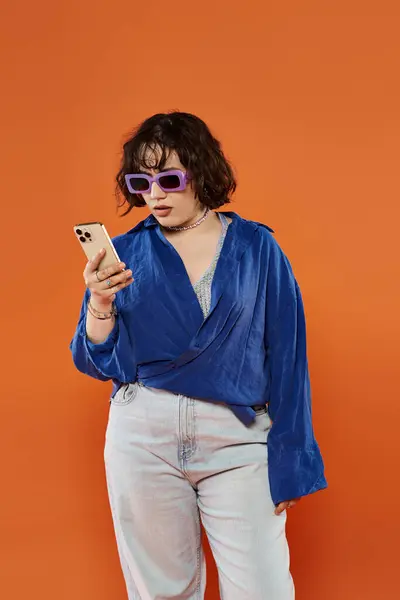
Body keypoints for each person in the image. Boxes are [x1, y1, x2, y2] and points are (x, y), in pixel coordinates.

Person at [70, 111, 327, 600]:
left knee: (263, 590)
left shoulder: (256, 247)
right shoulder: (122, 253)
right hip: (142, 434)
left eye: (169, 178)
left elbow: (288, 355)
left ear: (201, 173)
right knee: (162, 592)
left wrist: (292, 458)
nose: (155, 194)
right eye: (140, 180)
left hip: (236, 437)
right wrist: (99, 304)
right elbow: (94, 359)